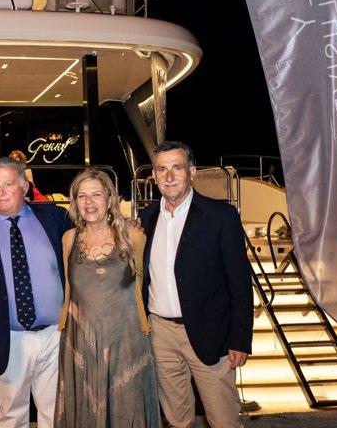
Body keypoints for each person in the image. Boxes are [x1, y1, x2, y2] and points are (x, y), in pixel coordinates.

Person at [139, 141, 253, 428]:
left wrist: (240, 339)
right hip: (160, 334)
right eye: (161, 169)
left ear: (191, 172)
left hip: (210, 332)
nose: (168, 176)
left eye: (176, 168)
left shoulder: (221, 216)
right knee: (177, 420)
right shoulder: (146, 219)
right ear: (153, 175)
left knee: (223, 420)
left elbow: (240, 283)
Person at [55, 170, 160, 427]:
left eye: (96, 195)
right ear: (75, 202)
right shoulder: (69, 239)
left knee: (127, 411)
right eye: (82, 196)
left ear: (110, 198)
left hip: (126, 342)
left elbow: (147, 281)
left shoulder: (133, 236)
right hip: (81, 342)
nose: (89, 202)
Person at [0, 157, 71, 428]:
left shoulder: (54, 218)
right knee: (11, 414)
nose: (0, 191)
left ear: (25, 187)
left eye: (8, 184)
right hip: (9, 338)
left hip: (55, 335)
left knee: (55, 413)